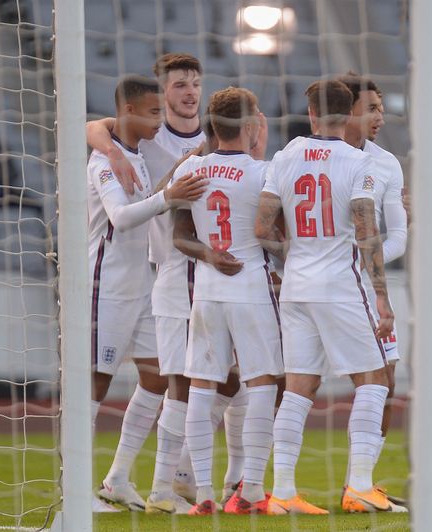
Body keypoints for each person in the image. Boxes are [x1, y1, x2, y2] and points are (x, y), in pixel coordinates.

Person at [85, 53, 253, 510]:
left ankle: (130, 476)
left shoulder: (212, 137)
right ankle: (116, 485)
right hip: (156, 274)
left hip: (175, 279)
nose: (188, 92)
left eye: (195, 83)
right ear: (161, 93)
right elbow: (98, 126)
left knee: (172, 379)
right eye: (179, 85)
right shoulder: (148, 137)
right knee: (115, 379)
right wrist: (111, 147)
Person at [256, 79, 403, 514]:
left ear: (312, 114)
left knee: (299, 387)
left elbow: (262, 228)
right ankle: (359, 485)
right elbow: (365, 231)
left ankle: (282, 492)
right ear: (348, 114)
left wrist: (294, 255)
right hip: (340, 285)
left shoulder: (285, 157)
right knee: (374, 380)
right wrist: (382, 297)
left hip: (296, 287)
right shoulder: (358, 163)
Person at [88, 75, 206, 512]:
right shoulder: (104, 161)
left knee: (158, 376)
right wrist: (168, 198)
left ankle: (117, 478)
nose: (161, 120)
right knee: (94, 384)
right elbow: (119, 217)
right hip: (108, 287)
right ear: (130, 112)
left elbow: (150, 199)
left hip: (144, 288)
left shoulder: (133, 156)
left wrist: (172, 184)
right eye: (155, 112)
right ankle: (73, 490)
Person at [172, 87, 282, 515]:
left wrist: (210, 254)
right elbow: (274, 235)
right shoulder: (264, 174)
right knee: (262, 383)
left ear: (212, 125)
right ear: (253, 125)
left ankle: (202, 495)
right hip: (250, 285)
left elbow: (180, 235)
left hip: (207, 288)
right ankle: (251, 489)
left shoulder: (194, 167)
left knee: (202, 385)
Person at [334, 71, 408, 506]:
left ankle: (359, 484)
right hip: (312, 290)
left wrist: (366, 262)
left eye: (381, 107)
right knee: (284, 384)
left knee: (386, 379)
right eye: (372, 108)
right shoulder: (304, 154)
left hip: (363, 284)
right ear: (346, 112)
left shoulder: (386, 163)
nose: (380, 116)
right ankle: (246, 484)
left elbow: (399, 234)